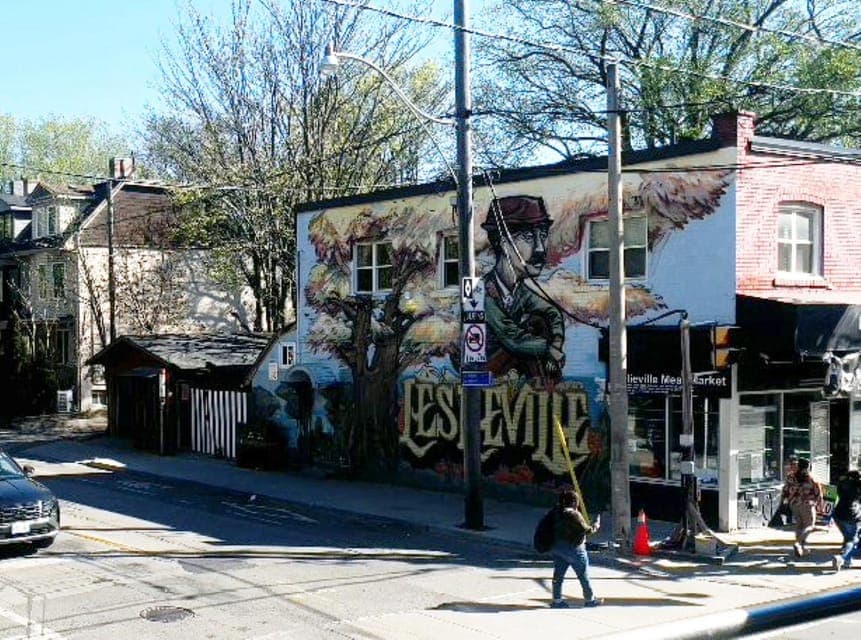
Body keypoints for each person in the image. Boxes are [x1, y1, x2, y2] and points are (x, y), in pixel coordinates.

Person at [481, 195, 566, 381]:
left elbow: (552, 312)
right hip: (485, 377)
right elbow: (513, 340)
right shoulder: (481, 292)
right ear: (503, 243)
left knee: (538, 321)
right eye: (528, 237)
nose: (540, 249)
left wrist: (557, 342)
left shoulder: (519, 292)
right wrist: (549, 348)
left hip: (510, 381)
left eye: (542, 236)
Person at [550, 488, 602, 608]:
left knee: (558, 576)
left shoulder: (557, 512)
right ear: (574, 502)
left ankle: (557, 600)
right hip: (575, 549)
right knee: (583, 576)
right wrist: (596, 525)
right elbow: (586, 530)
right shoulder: (574, 514)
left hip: (558, 547)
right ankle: (590, 599)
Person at [780, 457, 822, 557]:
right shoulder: (811, 478)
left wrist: (784, 501)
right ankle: (798, 543)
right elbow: (818, 493)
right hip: (807, 504)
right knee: (809, 526)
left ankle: (801, 548)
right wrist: (818, 504)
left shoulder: (790, 476)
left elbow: (785, 490)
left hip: (794, 504)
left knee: (799, 525)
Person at [831, 470, 861, 570]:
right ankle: (841, 557)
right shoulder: (858, 486)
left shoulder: (842, 485)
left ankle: (847, 562)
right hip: (851, 516)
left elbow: (839, 494)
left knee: (847, 538)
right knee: (852, 540)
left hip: (838, 515)